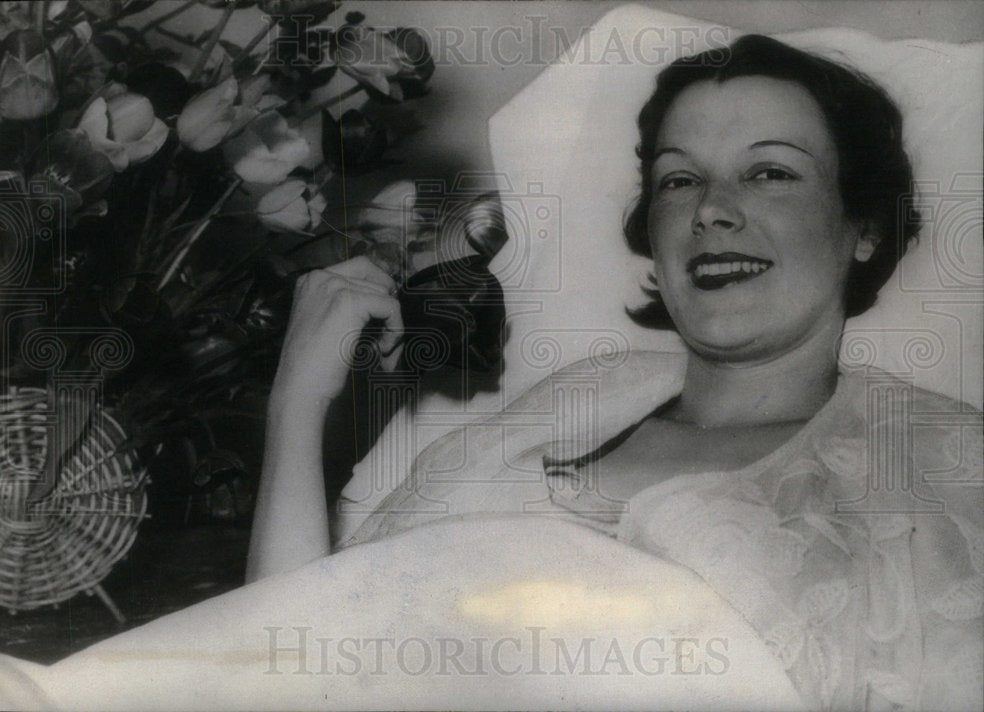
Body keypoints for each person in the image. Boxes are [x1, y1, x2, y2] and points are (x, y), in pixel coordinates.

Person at [247, 35, 983, 710]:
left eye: (770, 172)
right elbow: (278, 672)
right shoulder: (561, 414)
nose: (713, 211)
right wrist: (299, 399)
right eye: (678, 180)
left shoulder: (933, 463)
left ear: (866, 226)